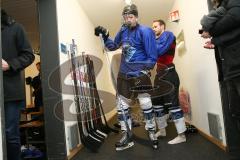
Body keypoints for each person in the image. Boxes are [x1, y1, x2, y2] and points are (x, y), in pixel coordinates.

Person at [94, 4, 158, 150]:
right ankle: (126, 134)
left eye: (131, 17)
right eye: (125, 17)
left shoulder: (146, 31)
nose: (128, 20)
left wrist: (142, 69)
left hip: (140, 74)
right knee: (122, 106)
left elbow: (152, 57)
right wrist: (104, 35)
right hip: (123, 75)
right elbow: (112, 46)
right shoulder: (123, 30)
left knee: (145, 103)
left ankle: (151, 130)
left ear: (136, 17)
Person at [200, 0, 240, 159]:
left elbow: (236, 17)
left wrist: (212, 32)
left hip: (237, 66)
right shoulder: (222, 6)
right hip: (230, 69)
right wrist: (215, 39)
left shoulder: (233, 2)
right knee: (236, 111)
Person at [1, 9, 35, 160]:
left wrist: (9, 64)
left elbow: (29, 55)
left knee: (10, 134)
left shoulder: (15, 28)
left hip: (10, 92)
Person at [151, 19, 187, 144]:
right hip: (159, 76)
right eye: (153, 27)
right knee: (156, 103)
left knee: (173, 104)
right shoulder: (154, 40)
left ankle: (182, 135)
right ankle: (162, 130)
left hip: (169, 74)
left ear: (163, 26)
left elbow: (158, 50)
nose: (154, 28)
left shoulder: (168, 35)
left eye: (156, 26)